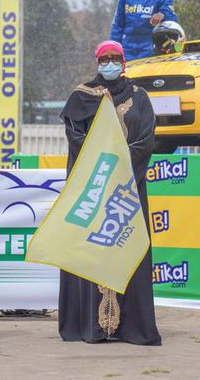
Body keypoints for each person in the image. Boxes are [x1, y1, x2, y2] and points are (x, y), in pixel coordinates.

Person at [58, 40, 160, 346]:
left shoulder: (140, 97)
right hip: (93, 187)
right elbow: (75, 137)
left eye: (116, 58)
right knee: (91, 249)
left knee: (127, 246)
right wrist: (103, 163)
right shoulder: (82, 95)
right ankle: (89, 325)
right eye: (105, 59)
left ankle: (132, 327)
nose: (110, 63)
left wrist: (119, 162)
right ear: (97, 62)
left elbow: (146, 139)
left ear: (125, 62)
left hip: (126, 190)